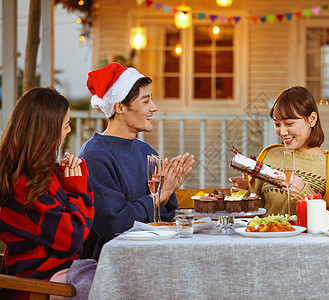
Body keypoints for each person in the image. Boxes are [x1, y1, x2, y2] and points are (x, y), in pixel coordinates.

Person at [79, 63, 194, 259]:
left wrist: (167, 192)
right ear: (120, 107)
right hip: (112, 264)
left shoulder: (147, 152)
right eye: (145, 101)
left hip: (153, 255)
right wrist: (158, 196)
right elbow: (113, 225)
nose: (154, 107)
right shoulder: (94, 155)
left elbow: (167, 219)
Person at [0, 87, 95, 299]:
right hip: (40, 286)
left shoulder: (40, 176)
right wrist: (77, 188)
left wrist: (63, 178)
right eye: (66, 125)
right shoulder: (24, 186)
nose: (68, 131)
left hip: (58, 276)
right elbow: (74, 237)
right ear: (47, 131)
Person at [229, 86, 329, 216]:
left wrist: (305, 193)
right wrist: (244, 191)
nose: (282, 132)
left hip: (309, 237)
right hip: (267, 234)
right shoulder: (269, 155)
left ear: (312, 119)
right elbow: (255, 210)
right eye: (277, 124)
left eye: (289, 124)